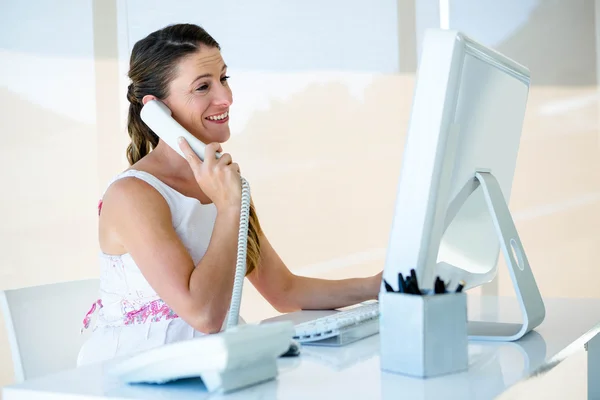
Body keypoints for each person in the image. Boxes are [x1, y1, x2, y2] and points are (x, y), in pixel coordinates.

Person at [77, 23, 382, 366]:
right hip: (145, 372)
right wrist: (227, 206)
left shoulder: (221, 182)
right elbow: (204, 315)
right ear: (156, 110)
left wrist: (377, 286)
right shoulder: (133, 195)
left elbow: (284, 290)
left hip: (215, 364)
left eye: (224, 79)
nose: (226, 98)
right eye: (203, 86)